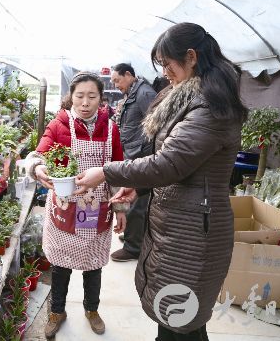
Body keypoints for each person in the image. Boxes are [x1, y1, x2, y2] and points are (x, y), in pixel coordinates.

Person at [74, 22, 248, 340]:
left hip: (194, 229)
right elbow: (180, 163)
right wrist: (138, 185)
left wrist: (108, 171)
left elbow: (169, 163)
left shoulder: (209, 106)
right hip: (183, 223)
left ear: (191, 57)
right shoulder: (193, 95)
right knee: (183, 320)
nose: (165, 72)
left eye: (167, 64)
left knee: (179, 320)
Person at [26, 72, 128, 338]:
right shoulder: (60, 124)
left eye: (91, 96)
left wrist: (120, 208)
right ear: (71, 97)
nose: (85, 102)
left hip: (98, 208)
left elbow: (118, 170)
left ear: (100, 98)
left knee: (93, 264)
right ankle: (57, 311)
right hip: (65, 205)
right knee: (61, 265)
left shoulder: (111, 129)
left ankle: (91, 309)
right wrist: (37, 168)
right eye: (79, 96)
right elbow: (39, 153)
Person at [110, 63, 157, 262]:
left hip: (140, 154)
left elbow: (156, 125)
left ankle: (133, 247)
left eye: (117, 80)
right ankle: (132, 237)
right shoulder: (134, 92)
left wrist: (146, 153)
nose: (116, 84)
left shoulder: (145, 93)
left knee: (137, 202)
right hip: (133, 153)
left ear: (128, 74)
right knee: (132, 199)